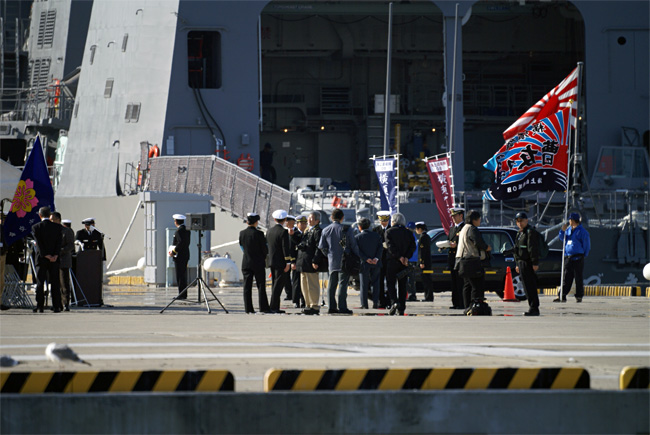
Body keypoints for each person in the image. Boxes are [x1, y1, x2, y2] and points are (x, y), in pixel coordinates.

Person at [455, 210, 492, 315]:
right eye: (479, 219)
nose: (480, 221)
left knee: (467, 285)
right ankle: (475, 306)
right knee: (477, 285)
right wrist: (486, 247)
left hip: (462, 261)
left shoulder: (463, 229)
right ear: (474, 220)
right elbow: (477, 241)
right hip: (471, 261)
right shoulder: (472, 229)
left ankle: (467, 307)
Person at [318, 208, 353, 315]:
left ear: (331, 217)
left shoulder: (325, 230)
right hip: (344, 261)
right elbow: (353, 245)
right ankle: (342, 307)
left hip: (332, 261)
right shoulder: (347, 229)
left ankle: (332, 307)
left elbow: (322, 247)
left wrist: (328, 255)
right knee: (343, 284)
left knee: (331, 285)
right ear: (342, 218)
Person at [31, 206, 62, 313]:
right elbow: (59, 243)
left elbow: (39, 244)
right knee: (55, 282)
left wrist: (45, 255)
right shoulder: (57, 227)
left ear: (40, 215)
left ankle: (40, 306)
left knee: (40, 282)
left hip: (41, 259)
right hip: (54, 259)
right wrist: (55, 255)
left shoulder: (36, 227)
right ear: (50, 215)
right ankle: (57, 306)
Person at [385, 213, 416, 316]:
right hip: (405, 263)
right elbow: (413, 246)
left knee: (391, 283)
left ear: (393, 221)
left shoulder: (389, 232)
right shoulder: (409, 233)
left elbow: (390, 247)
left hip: (392, 261)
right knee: (402, 285)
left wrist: (399, 257)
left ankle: (394, 302)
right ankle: (402, 308)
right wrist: (406, 257)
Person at [555, 212, 591, 303]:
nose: (569, 221)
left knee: (578, 277)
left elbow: (586, 245)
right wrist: (562, 231)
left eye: (570, 220)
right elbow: (562, 239)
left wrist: (584, 254)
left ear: (574, 220)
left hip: (578, 257)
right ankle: (562, 295)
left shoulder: (582, 232)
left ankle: (579, 295)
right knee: (567, 277)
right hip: (568, 257)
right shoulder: (568, 230)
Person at [238, 213, 270, 314]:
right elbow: (265, 249)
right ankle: (263, 307)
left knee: (247, 286)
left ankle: (248, 308)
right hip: (258, 262)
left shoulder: (242, 233)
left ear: (247, 222)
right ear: (256, 222)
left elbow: (242, 246)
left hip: (246, 262)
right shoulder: (259, 234)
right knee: (261, 286)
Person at [513, 212, 541, 316]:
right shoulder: (520, 233)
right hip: (521, 262)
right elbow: (517, 250)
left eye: (522, 220)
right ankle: (532, 306)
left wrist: (534, 263)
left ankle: (534, 308)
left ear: (526, 220)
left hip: (528, 262)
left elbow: (532, 249)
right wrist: (517, 263)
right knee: (526, 287)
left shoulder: (530, 232)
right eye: (518, 221)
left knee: (530, 286)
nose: (519, 223)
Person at [296, 211, 323, 315]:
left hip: (311, 261)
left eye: (311, 218)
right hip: (303, 261)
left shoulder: (317, 231)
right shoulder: (307, 230)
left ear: (317, 220)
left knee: (312, 284)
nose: (309, 220)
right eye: (309, 218)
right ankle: (308, 304)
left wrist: (315, 260)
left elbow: (318, 247)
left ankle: (314, 305)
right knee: (304, 284)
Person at [355, 217, 383, 309]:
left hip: (364, 264)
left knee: (364, 285)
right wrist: (376, 258)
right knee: (376, 284)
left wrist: (366, 259)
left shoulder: (357, 237)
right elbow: (380, 248)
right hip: (376, 263)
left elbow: (357, 251)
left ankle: (364, 304)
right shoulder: (376, 236)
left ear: (360, 227)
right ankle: (376, 303)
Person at [266, 209, 291, 313]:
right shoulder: (283, 232)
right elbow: (285, 248)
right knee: (278, 285)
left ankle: (274, 306)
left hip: (271, 261)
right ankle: (274, 306)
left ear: (274, 219)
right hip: (281, 262)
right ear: (285, 219)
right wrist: (288, 262)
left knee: (274, 284)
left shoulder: (269, 231)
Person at [51, 213, 75, 311]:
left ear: (58, 220)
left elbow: (70, 245)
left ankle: (65, 303)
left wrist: (59, 251)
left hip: (63, 260)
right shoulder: (50, 231)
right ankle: (57, 304)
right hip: (52, 260)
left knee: (64, 283)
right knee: (55, 283)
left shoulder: (66, 231)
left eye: (53, 220)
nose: (51, 221)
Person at [446, 207, 465, 309]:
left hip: (460, 259)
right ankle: (455, 303)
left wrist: (456, 244)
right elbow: (449, 240)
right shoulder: (452, 229)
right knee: (454, 283)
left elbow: (465, 243)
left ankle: (461, 303)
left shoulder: (464, 227)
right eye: (452, 216)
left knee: (460, 283)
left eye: (455, 216)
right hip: (453, 259)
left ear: (461, 216)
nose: (453, 218)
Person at [169, 214, 190, 299]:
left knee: (180, 276)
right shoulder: (187, 230)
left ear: (176, 221)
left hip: (179, 256)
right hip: (185, 255)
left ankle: (181, 294)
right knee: (183, 276)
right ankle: (183, 294)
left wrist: (173, 252)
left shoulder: (179, 231)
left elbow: (180, 243)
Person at [372, 210, 391, 308]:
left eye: (385, 220)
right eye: (382, 220)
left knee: (390, 281)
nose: (383, 222)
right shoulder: (375, 230)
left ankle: (389, 300)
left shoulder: (391, 229)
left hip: (389, 259)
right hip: (379, 259)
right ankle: (381, 300)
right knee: (379, 281)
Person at [290, 215, 307, 308]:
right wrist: (292, 261)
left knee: (304, 282)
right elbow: (291, 249)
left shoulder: (307, 233)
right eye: (302, 223)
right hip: (296, 261)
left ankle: (304, 300)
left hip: (304, 261)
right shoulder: (294, 234)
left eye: (305, 223)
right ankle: (296, 301)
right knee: (296, 282)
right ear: (297, 224)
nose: (304, 225)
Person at [415, 222, 434, 302]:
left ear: (420, 229)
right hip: (427, 262)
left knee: (426, 280)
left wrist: (421, 262)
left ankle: (428, 297)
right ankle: (428, 296)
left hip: (425, 262)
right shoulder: (426, 236)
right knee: (427, 280)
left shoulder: (423, 237)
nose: (416, 231)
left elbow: (422, 251)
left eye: (416, 229)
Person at [282, 215, 297, 302]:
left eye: (289, 221)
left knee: (295, 278)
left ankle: (295, 294)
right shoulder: (283, 231)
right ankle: (289, 294)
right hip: (286, 257)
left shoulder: (296, 232)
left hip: (294, 256)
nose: (287, 223)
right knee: (286, 277)